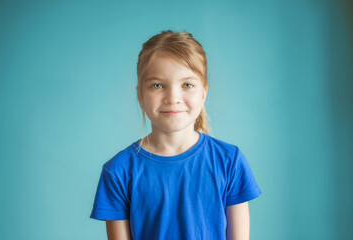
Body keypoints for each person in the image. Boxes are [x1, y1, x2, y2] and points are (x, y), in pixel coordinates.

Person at [90, 30, 262, 240]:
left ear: (204, 93)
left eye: (187, 85)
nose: (173, 97)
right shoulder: (117, 172)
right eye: (157, 85)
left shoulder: (229, 161)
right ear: (140, 94)